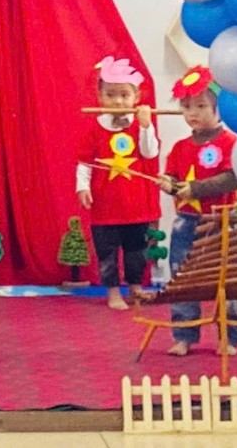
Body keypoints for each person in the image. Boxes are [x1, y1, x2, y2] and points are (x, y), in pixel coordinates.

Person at [158, 65, 237, 356]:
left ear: (219, 107)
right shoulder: (180, 147)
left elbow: (233, 177)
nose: (192, 113)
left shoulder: (231, 142)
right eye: (186, 107)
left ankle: (230, 337)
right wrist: (168, 184)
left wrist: (194, 189)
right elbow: (173, 179)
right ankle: (184, 335)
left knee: (228, 280)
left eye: (200, 106)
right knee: (182, 278)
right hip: (186, 222)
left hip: (222, 221)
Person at [75, 55, 161, 309]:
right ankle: (113, 292)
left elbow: (150, 153)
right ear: (100, 97)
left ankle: (135, 288)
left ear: (136, 97)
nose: (118, 101)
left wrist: (146, 127)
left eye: (125, 95)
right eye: (111, 95)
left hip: (136, 206)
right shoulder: (94, 127)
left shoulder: (141, 124)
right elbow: (84, 162)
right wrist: (83, 187)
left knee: (136, 251)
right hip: (105, 206)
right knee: (107, 253)